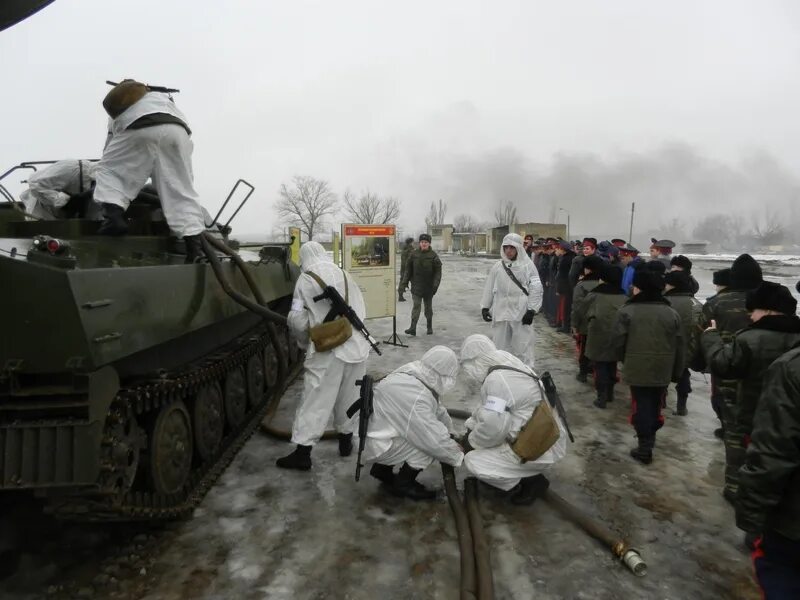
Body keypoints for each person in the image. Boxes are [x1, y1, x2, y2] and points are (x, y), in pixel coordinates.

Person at [703, 281, 800, 509]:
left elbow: (723, 365)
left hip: (749, 410)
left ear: (766, 309)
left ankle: (739, 495)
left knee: (744, 455)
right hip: (788, 417)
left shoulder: (751, 338)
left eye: (753, 311)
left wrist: (711, 337)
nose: (751, 316)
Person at [277, 241, 371, 471]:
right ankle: (346, 441)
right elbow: (361, 310)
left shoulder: (305, 279)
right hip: (357, 346)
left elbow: (297, 319)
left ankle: (302, 453)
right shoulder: (345, 274)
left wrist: (303, 341)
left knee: (316, 401)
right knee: (349, 399)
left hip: (328, 351)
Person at [94, 79, 208, 261]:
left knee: (108, 171)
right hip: (178, 133)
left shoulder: (125, 106)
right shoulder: (162, 99)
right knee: (180, 190)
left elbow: (112, 149)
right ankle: (195, 251)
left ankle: (114, 220)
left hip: (140, 127)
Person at [459, 335, 567, 505]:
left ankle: (528, 482)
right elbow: (488, 409)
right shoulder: (507, 365)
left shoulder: (497, 381)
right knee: (488, 435)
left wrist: (471, 442)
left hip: (538, 445)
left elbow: (493, 428)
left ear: (475, 362)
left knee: (473, 461)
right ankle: (522, 470)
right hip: (543, 435)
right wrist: (470, 426)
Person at [737, 340, 800, 598]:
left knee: (781, 578)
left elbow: (772, 452)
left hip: (791, 524)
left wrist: (752, 520)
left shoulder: (792, 368)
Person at [362, 346, 463, 500]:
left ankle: (382, 470)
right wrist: (457, 454)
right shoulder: (416, 397)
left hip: (376, 432)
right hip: (377, 444)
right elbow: (433, 441)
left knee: (426, 433)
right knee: (427, 445)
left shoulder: (413, 373)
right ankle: (404, 485)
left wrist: (451, 432)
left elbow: (437, 408)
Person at [702, 254, 763, 501]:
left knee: (735, 431)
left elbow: (703, 331)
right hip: (766, 372)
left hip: (727, 370)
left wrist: (701, 363)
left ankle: (735, 485)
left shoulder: (717, 303)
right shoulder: (768, 299)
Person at [610, 263, 684, 464]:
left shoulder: (627, 311)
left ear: (638, 288)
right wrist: (677, 371)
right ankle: (650, 437)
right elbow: (679, 345)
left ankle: (645, 446)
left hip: (637, 366)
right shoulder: (672, 313)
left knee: (640, 405)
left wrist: (623, 359)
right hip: (663, 368)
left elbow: (617, 342)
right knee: (655, 404)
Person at [480, 233, 543, 366]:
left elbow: (536, 288)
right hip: (501, 311)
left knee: (522, 346)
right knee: (500, 346)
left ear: (518, 248)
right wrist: (485, 307)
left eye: (512, 247)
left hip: (521, 312)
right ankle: (501, 370)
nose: (508, 251)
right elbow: (489, 287)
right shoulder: (498, 267)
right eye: (506, 247)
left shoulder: (528, 266)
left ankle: (525, 372)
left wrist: (531, 310)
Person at [583, 263, 627, 408]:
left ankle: (601, 397)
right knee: (612, 364)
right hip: (617, 336)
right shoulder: (624, 297)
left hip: (598, 335)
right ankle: (610, 393)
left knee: (600, 365)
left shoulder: (595, 295)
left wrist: (578, 326)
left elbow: (581, 311)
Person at [663, 270, 704, 416]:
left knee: (663, 375)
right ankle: (682, 406)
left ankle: (661, 402)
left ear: (672, 285)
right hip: (688, 347)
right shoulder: (696, 304)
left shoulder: (664, 302)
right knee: (684, 375)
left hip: (666, 347)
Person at [20, 159, 98, 219]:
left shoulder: (106, 193)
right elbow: (35, 184)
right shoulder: (71, 168)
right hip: (42, 218)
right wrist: (66, 202)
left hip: (73, 227)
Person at [704, 268, 732, 438]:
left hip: (720, 354)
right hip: (745, 355)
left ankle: (725, 425)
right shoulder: (751, 300)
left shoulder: (715, 303)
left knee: (719, 393)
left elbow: (703, 328)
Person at [400, 233, 442, 336]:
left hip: (429, 288)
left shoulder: (433, 256)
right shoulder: (413, 254)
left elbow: (438, 273)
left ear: (429, 243)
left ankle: (429, 327)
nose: (424, 244)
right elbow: (408, 270)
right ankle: (413, 328)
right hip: (416, 287)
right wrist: (404, 283)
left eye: (426, 242)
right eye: (422, 242)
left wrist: (435, 286)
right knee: (416, 306)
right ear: (419, 243)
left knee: (428, 308)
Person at [570, 254, 604, 383]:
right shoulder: (604, 284)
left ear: (588, 269)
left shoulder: (581, 286)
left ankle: (583, 373)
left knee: (584, 349)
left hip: (584, 324)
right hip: (600, 324)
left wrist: (574, 324)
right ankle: (594, 370)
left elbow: (577, 307)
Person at [397, 237, 414, 302]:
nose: (413, 243)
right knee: (414, 282)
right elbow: (411, 260)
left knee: (402, 282)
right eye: (412, 242)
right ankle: (417, 296)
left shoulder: (404, 249)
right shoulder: (410, 250)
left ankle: (400, 296)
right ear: (410, 242)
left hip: (403, 269)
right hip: (408, 269)